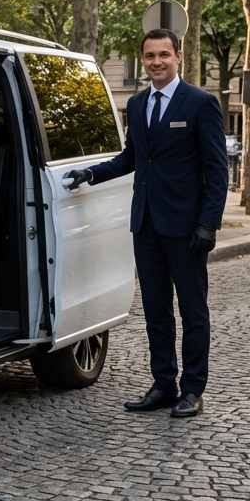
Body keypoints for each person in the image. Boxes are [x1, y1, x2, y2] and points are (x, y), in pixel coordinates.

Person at [64, 29, 228, 418]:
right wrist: (90, 173)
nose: (156, 62)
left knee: (193, 311)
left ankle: (192, 390)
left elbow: (217, 171)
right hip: (146, 225)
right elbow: (131, 159)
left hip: (187, 228)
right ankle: (163, 384)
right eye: (150, 55)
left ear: (178, 57)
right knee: (156, 310)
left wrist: (209, 224)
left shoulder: (201, 103)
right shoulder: (137, 105)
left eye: (163, 55)